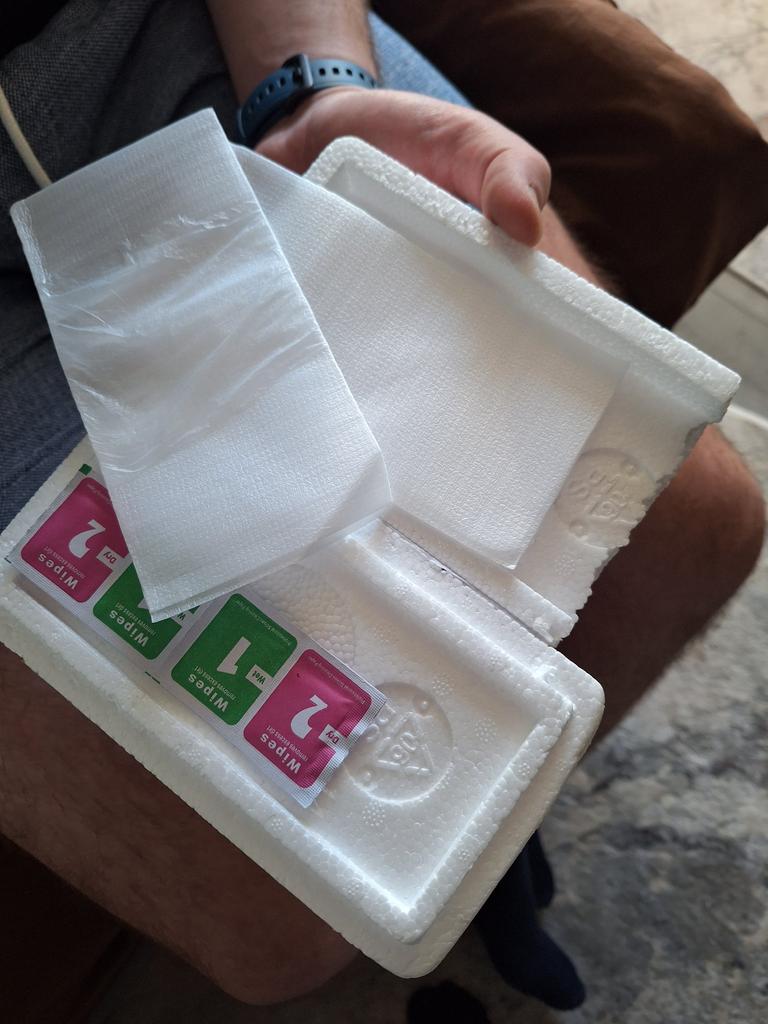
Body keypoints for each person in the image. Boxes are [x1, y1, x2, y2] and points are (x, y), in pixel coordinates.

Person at [0, 0, 766, 1012]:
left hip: (155, 54)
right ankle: (440, 855)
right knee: (285, 897)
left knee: (697, 529)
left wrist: (311, 87)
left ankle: (489, 825)